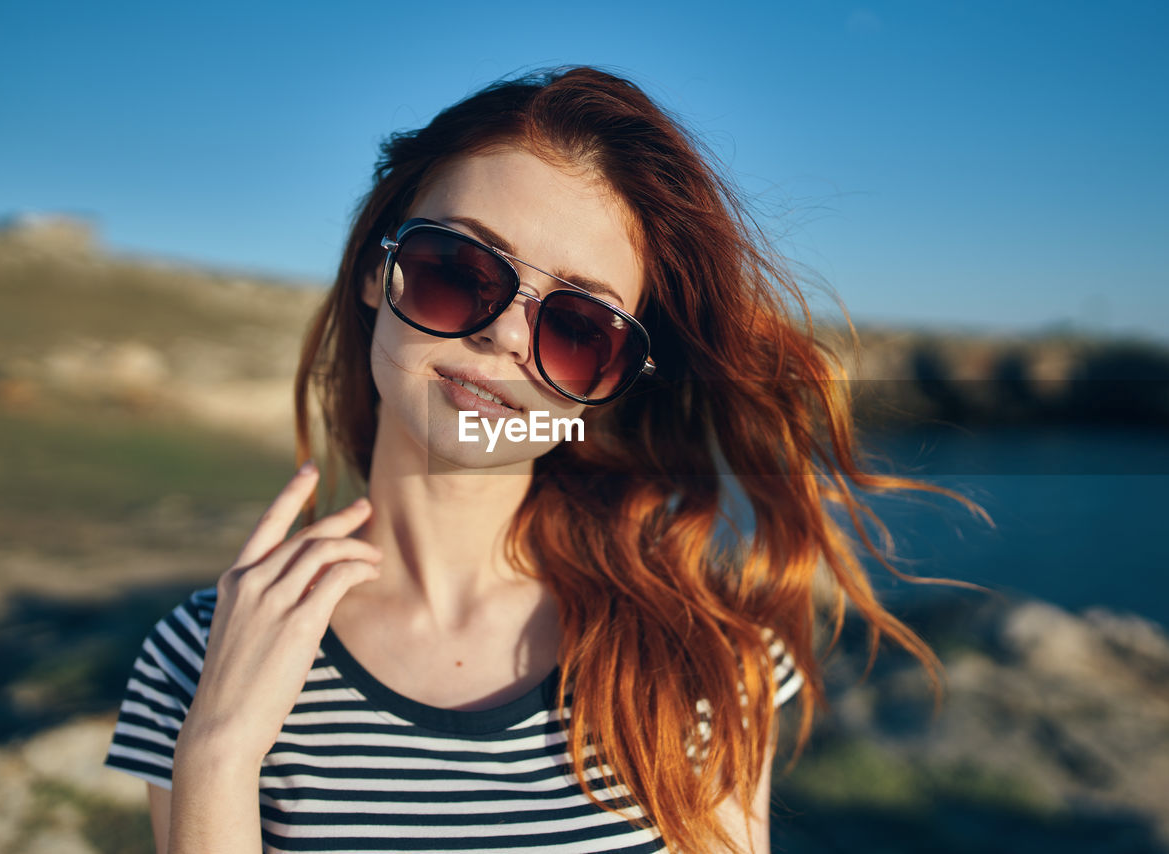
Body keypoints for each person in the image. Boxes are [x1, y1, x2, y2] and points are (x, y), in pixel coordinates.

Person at [104, 66, 986, 853]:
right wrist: (219, 750)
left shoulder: (705, 648)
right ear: (378, 274)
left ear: (610, 380)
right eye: (458, 267)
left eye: (577, 327)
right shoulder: (202, 651)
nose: (502, 335)